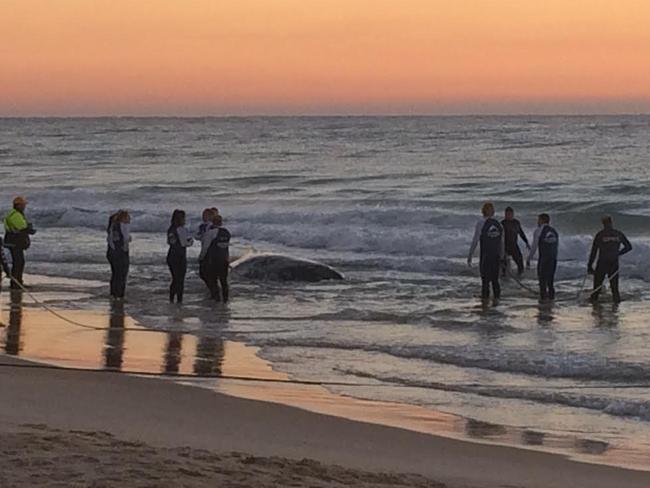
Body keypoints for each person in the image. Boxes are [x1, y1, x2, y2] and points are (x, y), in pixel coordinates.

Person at [588, 216, 632, 303]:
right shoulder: (618, 233)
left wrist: (589, 265)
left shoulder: (600, 234)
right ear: (611, 222)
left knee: (597, 287)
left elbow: (594, 251)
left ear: (603, 223)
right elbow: (629, 247)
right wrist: (618, 253)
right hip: (614, 262)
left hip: (602, 263)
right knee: (615, 288)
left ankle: (595, 308)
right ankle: (616, 309)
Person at [468, 202, 504, 300]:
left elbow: (475, 240)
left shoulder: (481, 223)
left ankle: (485, 301)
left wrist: (470, 255)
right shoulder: (498, 224)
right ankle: (497, 300)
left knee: (485, 281)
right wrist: (502, 256)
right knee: (495, 280)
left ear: (483, 211)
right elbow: (502, 242)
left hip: (486, 257)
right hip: (496, 256)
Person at [3, 196, 37, 289]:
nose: (24, 206)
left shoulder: (14, 214)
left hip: (13, 241)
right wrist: (30, 230)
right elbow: (21, 227)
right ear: (17, 205)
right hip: (14, 241)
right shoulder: (15, 215)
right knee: (18, 262)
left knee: (18, 262)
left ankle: (17, 282)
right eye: (22, 205)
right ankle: (16, 283)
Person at [527, 213, 559, 301]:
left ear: (541, 220)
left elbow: (534, 247)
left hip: (544, 259)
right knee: (550, 279)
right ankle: (552, 298)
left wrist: (528, 259)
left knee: (542, 279)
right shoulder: (554, 231)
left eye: (538, 220)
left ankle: (543, 299)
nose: (537, 222)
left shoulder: (538, 231)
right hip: (553, 258)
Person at [199, 214, 231, 303]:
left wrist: (201, 257)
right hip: (224, 260)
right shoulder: (227, 232)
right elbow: (226, 247)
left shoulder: (210, 233)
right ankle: (225, 301)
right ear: (221, 222)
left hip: (213, 260)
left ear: (213, 222)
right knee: (224, 281)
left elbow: (205, 247)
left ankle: (216, 299)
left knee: (212, 280)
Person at [167, 209, 193, 303]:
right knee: (178, 279)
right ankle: (176, 300)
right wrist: (188, 241)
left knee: (178, 279)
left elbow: (188, 241)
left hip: (176, 255)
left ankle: (175, 299)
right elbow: (186, 242)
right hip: (177, 256)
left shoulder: (175, 229)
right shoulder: (177, 229)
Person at [106, 210, 131, 300]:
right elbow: (126, 239)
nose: (129, 219)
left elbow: (109, 240)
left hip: (111, 252)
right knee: (122, 274)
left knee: (115, 274)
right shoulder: (124, 226)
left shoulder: (112, 226)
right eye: (127, 217)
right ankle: (120, 295)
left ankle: (113, 293)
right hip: (120, 253)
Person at [501, 206, 530, 276]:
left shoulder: (516, 223)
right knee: (503, 267)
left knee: (520, 263)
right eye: (506, 214)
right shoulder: (502, 223)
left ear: (512, 214)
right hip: (505, 247)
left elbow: (521, 233)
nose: (508, 216)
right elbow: (499, 237)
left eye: (510, 214)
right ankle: (504, 279)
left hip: (514, 246)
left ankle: (520, 276)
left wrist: (526, 242)